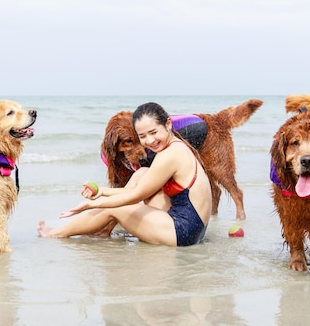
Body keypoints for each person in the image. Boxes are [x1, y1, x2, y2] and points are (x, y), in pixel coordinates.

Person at [37, 102, 212, 246]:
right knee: (142, 173)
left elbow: (134, 196)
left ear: (168, 124)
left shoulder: (169, 155)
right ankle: (96, 225)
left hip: (183, 233)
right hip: (196, 227)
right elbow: (137, 191)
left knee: (117, 208)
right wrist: (102, 192)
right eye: (142, 136)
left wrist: (91, 204)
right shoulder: (177, 145)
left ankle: (56, 233)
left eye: (153, 132)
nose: (149, 141)